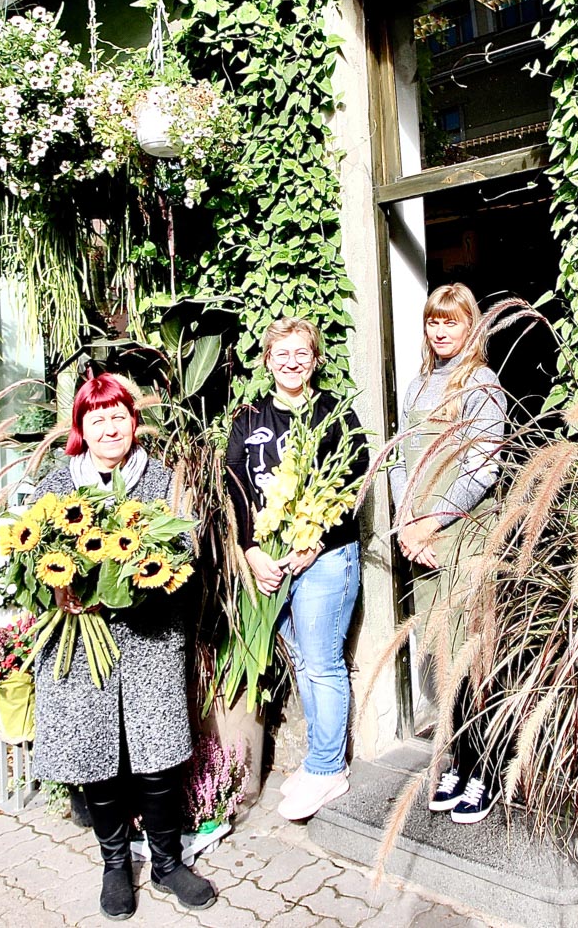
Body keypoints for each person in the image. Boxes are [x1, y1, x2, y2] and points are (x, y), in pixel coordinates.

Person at [26, 372, 215, 920]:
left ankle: (166, 862)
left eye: (119, 416)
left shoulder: (160, 481)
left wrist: (144, 579)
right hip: (80, 645)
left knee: (156, 758)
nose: (110, 427)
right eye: (97, 417)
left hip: (150, 638)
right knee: (96, 759)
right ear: (81, 426)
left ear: (134, 421)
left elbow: (184, 548)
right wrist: (58, 588)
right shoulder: (55, 487)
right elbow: (33, 558)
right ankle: (114, 866)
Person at [225, 317, 370, 821]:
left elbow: (353, 486)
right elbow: (236, 487)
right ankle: (318, 760)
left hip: (325, 557)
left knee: (323, 661)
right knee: (304, 662)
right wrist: (249, 550)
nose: (291, 361)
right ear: (267, 360)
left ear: (315, 359)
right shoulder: (249, 417)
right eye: (281, 353)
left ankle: (330, 769)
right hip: (270, 561)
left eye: (301, 353)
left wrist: (313, 543)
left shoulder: (334, 414)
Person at [387, 283, 508, 825]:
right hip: (421, 539)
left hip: (462, 539)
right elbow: (395, 462)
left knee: (471, 657)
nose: (440, 332)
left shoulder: (480, 384)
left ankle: (486, 770)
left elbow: (484, 467)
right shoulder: (415, 387)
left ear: (470, 328)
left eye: (452, 323)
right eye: (434, 323)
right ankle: (456, 762)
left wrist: (434, 523)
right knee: (440, 656)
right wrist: (405, 522)